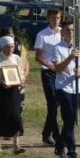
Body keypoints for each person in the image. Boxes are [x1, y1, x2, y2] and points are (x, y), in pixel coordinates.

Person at [50, 21, 80, 158]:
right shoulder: (57, 48)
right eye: (68, 30)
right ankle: (72, 151)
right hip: (63, 87)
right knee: (70, 118)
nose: (71, 32)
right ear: (63, 32)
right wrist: (71, 57)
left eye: (73, 30)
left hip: (76, 87)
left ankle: (59, 145)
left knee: (71, 120)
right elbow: (57, 68)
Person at [0, 35, 28, 153]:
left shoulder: (17, 58)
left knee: (15, 116)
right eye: (9, 47)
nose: (11, 49)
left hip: (14, 92)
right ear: (3, 47)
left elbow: (20, 73)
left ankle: (16, 145)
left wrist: (21, 81)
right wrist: (1, 81)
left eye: (13, 47)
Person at [34, 8, 64, 147]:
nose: (56, 20)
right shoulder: (42, 35)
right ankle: (56, 135)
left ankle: (46, 133)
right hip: (48, 72)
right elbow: (38, 57)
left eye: (58, 18)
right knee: (52, 103)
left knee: (57, 103)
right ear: (48, 19)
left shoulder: (64, 33)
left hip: (61, 72)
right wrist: (51, 66)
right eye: (53, 18)